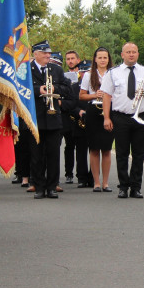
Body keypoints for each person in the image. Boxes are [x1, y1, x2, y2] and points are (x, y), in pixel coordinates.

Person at [101, 42, 144, 198]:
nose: (131, 54)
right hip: (120, 117)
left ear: (138, 54)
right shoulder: (113, 73)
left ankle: (136, 187)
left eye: (134, 52)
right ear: (122, 55)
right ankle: (123, 186)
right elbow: (106, 96)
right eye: (128, 52)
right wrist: (106, 118)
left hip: (140, 116)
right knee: (121, 153)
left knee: (139, 154)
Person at [29, 41, 74, 198]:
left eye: (49, 52)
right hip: (35, 118)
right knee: (36, 156)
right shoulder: (27, 69)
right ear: (35, 54)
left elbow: (68, 89)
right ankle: (39, 187)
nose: (48, 55)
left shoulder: (56, 69)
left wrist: (55, 88)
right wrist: (38, 90)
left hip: (53, 118)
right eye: (44, 53)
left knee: (53, 155)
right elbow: (20, 90)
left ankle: (52, 187)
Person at [80, 47, 115, 192]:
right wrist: (95, 95)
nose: (102, 60)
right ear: (95, 59)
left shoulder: (113, 74)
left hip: (110, 110)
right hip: (93, 110)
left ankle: (105, 182)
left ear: (109, 59)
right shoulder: (88, 75)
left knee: (106, 149)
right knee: (94, 148)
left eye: (105, 57)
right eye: (100, 57)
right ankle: (96, 182)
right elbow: (82, 95)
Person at [62, 49, 90, 186]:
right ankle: (70, 174)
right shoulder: (64, 78)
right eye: (68, 59)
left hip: (87, 118)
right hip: (70, 118)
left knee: (87, 148)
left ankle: (88, 177)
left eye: (73, 58)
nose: (70, 61)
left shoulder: (91, 81)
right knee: (70, 147)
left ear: (77, 60)